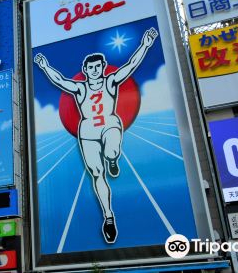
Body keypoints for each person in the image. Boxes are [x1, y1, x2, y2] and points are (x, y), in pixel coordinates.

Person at [33, 27, 158, 244]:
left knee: (111, 151)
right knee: (96, 173)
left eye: (97, 66)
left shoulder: (110, 82)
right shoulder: (80, 88)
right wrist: (45, 66)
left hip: (109, 123)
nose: (94, 70)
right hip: (88, 130)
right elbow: (60, 81)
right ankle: (109, 217)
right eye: (90, 67)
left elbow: (130, 66)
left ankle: (113, 160)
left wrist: (145, 44)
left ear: (102, 67)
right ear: (85, 69)